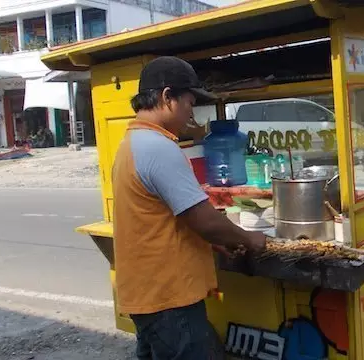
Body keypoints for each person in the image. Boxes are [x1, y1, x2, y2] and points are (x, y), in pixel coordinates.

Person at [112, 56, 267, 360]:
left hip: (149, 294)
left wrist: (214, 242)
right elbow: (203, 219)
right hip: (169, 299)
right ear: (167, 97)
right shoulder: (158, 148)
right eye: (189, 103)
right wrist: (248, 239)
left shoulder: (133, 142)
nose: (191, 114)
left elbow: (169, 219)